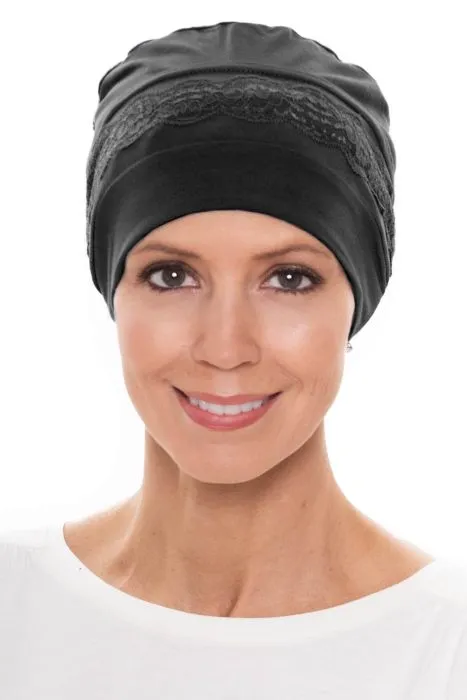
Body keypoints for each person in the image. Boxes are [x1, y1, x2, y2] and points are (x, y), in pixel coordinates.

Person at [1, 20, 466, 699]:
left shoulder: (446, 649)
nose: (225, 348)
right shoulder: (13, 610)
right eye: (171, 277)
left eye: (289, 279)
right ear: (114, 293)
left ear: (357, 302)